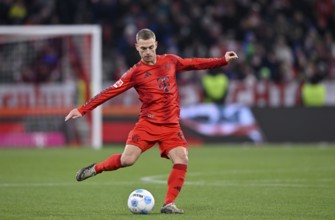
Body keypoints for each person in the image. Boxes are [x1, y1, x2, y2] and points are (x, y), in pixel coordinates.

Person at [65, 28, 238, 214]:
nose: (147, 52)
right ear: (137, 47)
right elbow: (109, 92)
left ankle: (169, 204)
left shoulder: (170, 61)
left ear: (155, 45)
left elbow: (194, 63)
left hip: (171, 126)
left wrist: (222, 61)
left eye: (150, 47)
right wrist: (83, 109)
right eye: (143, 49)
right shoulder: (135, 73)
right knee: (127, 160)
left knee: (182, 158)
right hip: (148, 124)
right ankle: (96, 168)